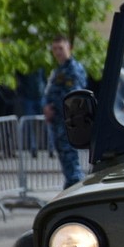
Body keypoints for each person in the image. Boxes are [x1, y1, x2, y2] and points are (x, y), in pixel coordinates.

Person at [44, 34, 88, 188]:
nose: (57, 52)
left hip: (68, 122)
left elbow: (73, 96)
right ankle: (71, 188)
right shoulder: (59, 70)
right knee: (66, 160)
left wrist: (53, 107)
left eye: (61, 48)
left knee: (71, 161)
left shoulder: (73, 69)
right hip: (58, 123)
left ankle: (76, 191)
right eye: (54, 49)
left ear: (69, 48)